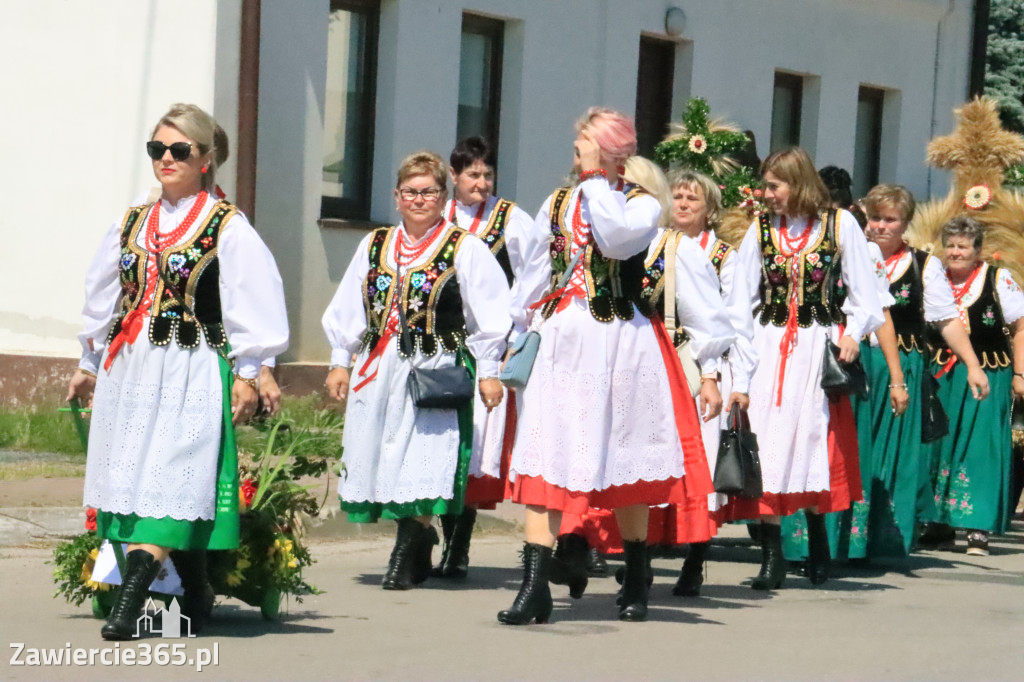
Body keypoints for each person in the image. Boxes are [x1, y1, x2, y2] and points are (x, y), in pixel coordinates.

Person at [497, 108, 732, 625]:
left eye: (586, 143)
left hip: (622, 341)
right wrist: (513, 337)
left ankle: (636, 579)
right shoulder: (557, 202)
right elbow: (536, 270)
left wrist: (595, 179)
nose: (576, 150)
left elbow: (614, 240)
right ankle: (534, 586)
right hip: (563, 339)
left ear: (609, 150)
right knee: (546, 451)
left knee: (627, 456)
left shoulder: (641, 205)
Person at [66, 103, 289, 639]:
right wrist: (87, 362)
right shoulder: (131, 222)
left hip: (193, 365)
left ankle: (130, 603)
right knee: (132, 476)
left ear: (207, 159)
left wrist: (250, 369)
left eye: (179, 150)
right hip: (132, 366)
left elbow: (251, 300)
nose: (166, 159)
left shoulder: (226, 226)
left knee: (172, 472)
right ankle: (191, 590)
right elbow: (104, 297)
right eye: (157, 149)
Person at [322, 151, 511, 591]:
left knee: (424, 456)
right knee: (386, 454)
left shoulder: (464, 247)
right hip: (378, 366)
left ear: (443, 197)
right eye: (411, 192)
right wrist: (338, 361)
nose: (419, 199)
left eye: (428, 191)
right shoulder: (375, 244)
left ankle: (406, 550)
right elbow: (349, 305)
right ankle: (419, 540)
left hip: (436, 366)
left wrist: (488, 371)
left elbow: (490, 314)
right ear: (397, 196)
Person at [718, 147, 885, 589]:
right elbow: (740, 303)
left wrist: (852, 333)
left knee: (814, 438)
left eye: (774, 185)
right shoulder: (760, 230)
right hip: (770, 344)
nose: (765, 193)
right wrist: (740, 362)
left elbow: (866, 295)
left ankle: (818, 545)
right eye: (765, 185)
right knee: (768, 441)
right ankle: (771, 555)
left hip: (817, 343)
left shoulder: (840, 224)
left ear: (799, 183)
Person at [843, 185, 986, 558]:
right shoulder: (848, 255)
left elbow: (946, 320)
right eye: (875, 217)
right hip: (855, 365)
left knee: (894, 458)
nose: (879, 226)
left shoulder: (925, 265)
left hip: (900, 366)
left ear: (905, 224)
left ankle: (883, 543)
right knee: (853, 452)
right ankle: (844, 541)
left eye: (889, 219)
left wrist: (972, 364)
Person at [432, 136, 538, 579]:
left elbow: (533, 275)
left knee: (473, 447)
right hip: (444, 345)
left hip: (489, 347)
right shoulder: (439, 219)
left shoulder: (510, 219)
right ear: (453, 177)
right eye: (472, 174)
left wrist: (515, 328)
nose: (481, 181)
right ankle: (441, 537)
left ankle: (458, 548)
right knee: (443, 443)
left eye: (487, 173)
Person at [920, 216, 1021, 555]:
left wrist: (1020, 376)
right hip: (943, 374)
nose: (955, 252)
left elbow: (1021, 328)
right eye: (950, 245)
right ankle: (938, 524)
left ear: (978, 251)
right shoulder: (933, 278)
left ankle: (978, 529)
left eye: (963, 246)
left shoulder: (997, 279)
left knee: (981, 450)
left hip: (989, 375)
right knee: (938, 445)